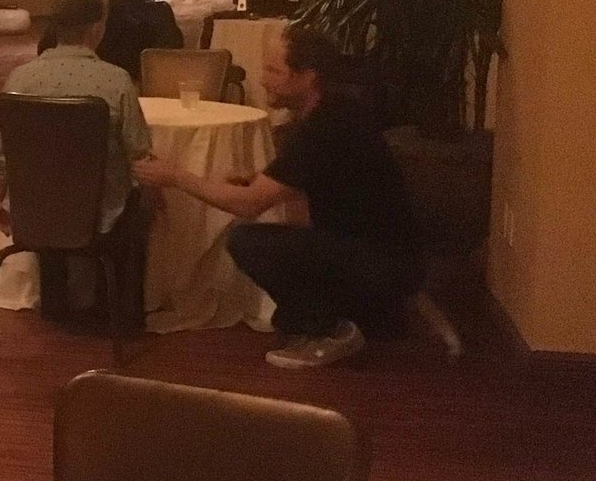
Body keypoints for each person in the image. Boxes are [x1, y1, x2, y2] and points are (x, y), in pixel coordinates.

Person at [133, 25, 423, 370]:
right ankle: (330, 317)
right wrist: (260, 181)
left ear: (308, 77)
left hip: (380, 258)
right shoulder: (335, 111)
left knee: (248, 241)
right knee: (271, 242)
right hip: (378, 246)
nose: (263, 79)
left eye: (274, 71)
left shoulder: (324, 126)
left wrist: (176, 176)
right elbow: (315, 182)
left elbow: (250, 204)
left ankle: (329, 331)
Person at [0, 0, 152, 323]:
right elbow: (139, 155)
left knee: (54, 195)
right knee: (142, 207)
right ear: (97, 28)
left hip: (33, 212)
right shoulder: (116, 81)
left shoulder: (19, 78)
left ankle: (56, 301)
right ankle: (117, 310)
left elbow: (3, 159)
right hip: (97, 217)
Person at [94, 0, 184, 80]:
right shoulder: (160, 11)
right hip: (155, 77)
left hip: (107, 76)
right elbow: (174, 47)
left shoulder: (98, 16)